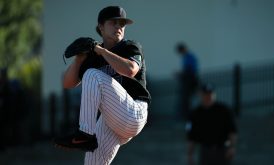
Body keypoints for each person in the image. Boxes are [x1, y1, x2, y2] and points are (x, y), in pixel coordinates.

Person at [53, 6, 151, 165]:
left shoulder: (130, 46)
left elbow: (131, 70)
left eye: (122, 24)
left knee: (92, 75)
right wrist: (79, 58)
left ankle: (85, 134)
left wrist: (101, 51)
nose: (119, 27)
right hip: (111, 121)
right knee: (92, 162)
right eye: (114, 22)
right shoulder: (93, 56)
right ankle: (86, 136)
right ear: (101, 27)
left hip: (134, 112)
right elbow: (68, 83)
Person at [186, 84, 237, 165]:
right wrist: (190, 154)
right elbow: (191, 136)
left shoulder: (223, 110)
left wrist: (232, 147)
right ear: (200, 95)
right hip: (206, 150)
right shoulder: (196, 113)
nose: (208, 96)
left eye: (210, 93)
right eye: (206, 94)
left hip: (222, 149)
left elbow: (232, 130)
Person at [175, 42, 199, 120]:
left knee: (187, 99)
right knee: (187, 99)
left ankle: (188, 116)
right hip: (190, 79)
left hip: (190, 80)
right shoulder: (187, 57)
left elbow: (189, 70)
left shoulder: (189, 57)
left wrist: (180, 74)